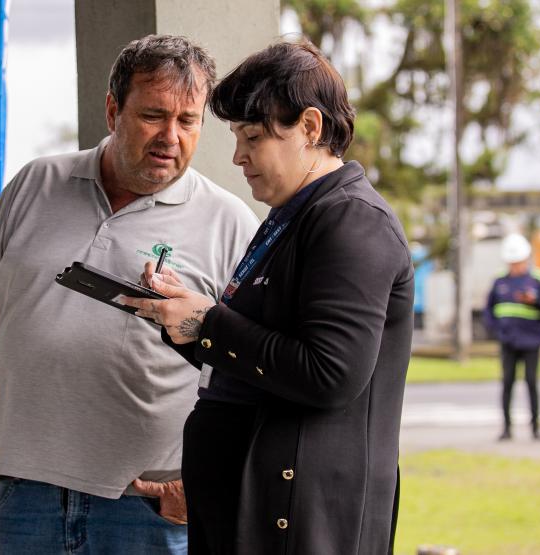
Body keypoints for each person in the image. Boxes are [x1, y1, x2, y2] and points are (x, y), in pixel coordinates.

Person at [0, 34, 258, 554]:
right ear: (113, 109)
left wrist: (209, 483)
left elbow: (256, 370)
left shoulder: (231, 223)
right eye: (153, 115)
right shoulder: (33, 186)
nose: (171, 137)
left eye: (188, 121)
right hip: (23, 500)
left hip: (149, 509)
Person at [124, 41, 414, 555]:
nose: (237, 156)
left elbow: (329, 374)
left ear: (309, 128)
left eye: (252, 136)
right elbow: (264, 360)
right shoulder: (296, 215)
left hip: (299, 524)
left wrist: (209, 323)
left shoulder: (351, 221)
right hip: (256, 514)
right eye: (237, 136)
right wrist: (181, 320)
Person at [483, 233, 540, 441]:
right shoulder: (499, 280)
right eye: (512, 262)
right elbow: (489, 309)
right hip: (509, 341)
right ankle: (506, 428)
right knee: (507, 383)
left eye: (518, 262)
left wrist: (535, 301)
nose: (515, 266)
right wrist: (497, 330)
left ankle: (535, 428)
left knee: (531, 382)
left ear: (526, 259)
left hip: (532, 341)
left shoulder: (539, 279)